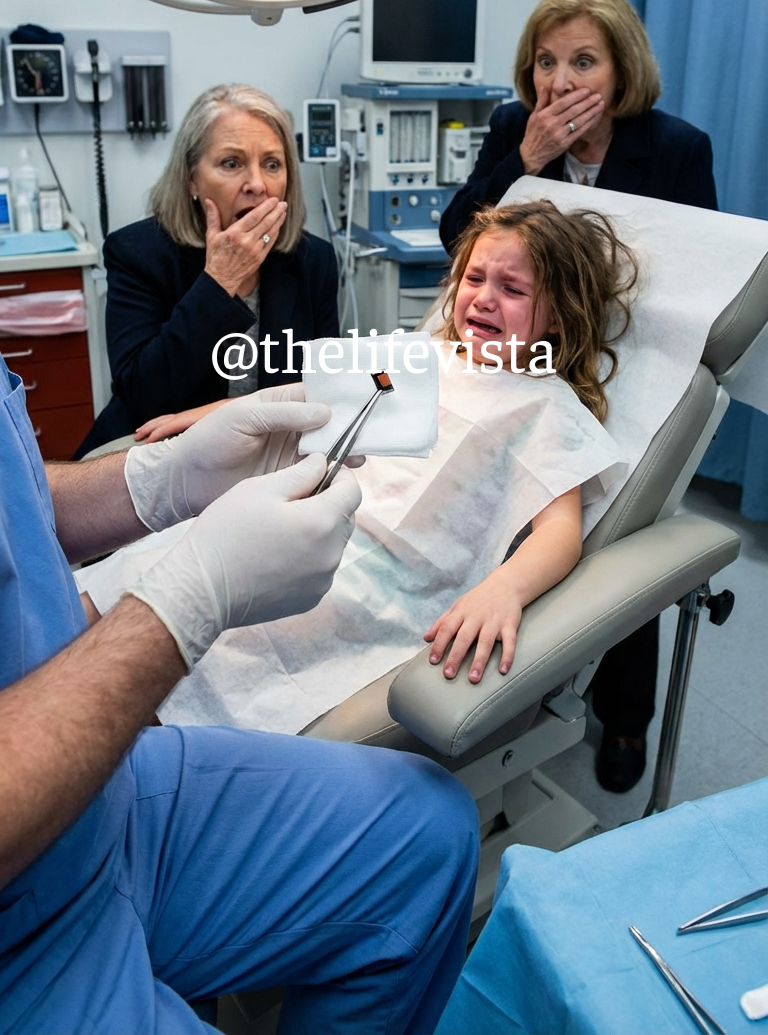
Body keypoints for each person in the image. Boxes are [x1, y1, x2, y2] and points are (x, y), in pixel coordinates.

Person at [0, 375, 480, 1035]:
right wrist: (186, 606)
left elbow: (13, 503)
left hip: (97, 799)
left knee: (428, 834)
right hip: (18, 930)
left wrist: (158, 480)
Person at [83, 201, 634, 739]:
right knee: (153, 569)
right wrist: (204, 417)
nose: (484, 298)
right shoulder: (420, 355)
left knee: (233, 649)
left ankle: (109, 743)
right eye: (474, 278)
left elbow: (560, 530)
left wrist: (506, 589)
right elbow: (311, 394)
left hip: (386, 577)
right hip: (309, 517)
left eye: (512, 289)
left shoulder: (545, 406)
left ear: (558, 316)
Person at [439, 0, 718, 794]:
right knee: (502, 506)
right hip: (530, 351)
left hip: (633, 365)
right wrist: (521, 162)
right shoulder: (512, 129)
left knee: (615, 530)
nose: (560, 82)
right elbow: (461, 241)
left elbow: (700, 287)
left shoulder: (676, 147)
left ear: (622, 67)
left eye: (583, 62)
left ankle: (625, 717)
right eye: (546, 62)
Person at [76, 84, 339, 453]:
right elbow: (143, 397)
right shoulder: (137, 254)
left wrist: (220, 412)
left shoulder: (314, 260)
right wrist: (219, 281)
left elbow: (327, 389)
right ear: (192, 180)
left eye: (272, 165)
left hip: (266, 452)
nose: (257, 184)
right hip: (158, 453)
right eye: (231, 163)